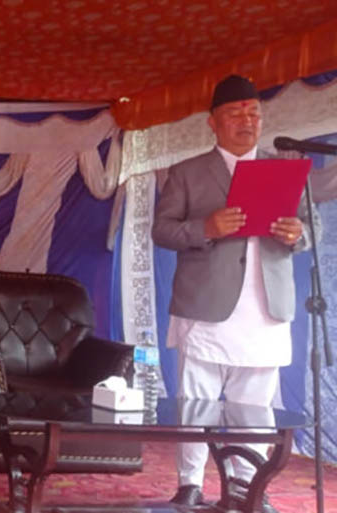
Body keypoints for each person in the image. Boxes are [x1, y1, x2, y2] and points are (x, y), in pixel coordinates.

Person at [152, 74, 308, 513]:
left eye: (254, 113)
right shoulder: (187, 172)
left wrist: (297, 234)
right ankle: (189, 483)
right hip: (206, 305)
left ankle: (246, 484)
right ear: (213, 122)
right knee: (196, 402)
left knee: (254, 405)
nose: (247, 121)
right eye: (236, 114)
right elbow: (161, 231)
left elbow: (306, 228)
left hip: (265, 306)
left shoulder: (283, 169)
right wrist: (205, 227)